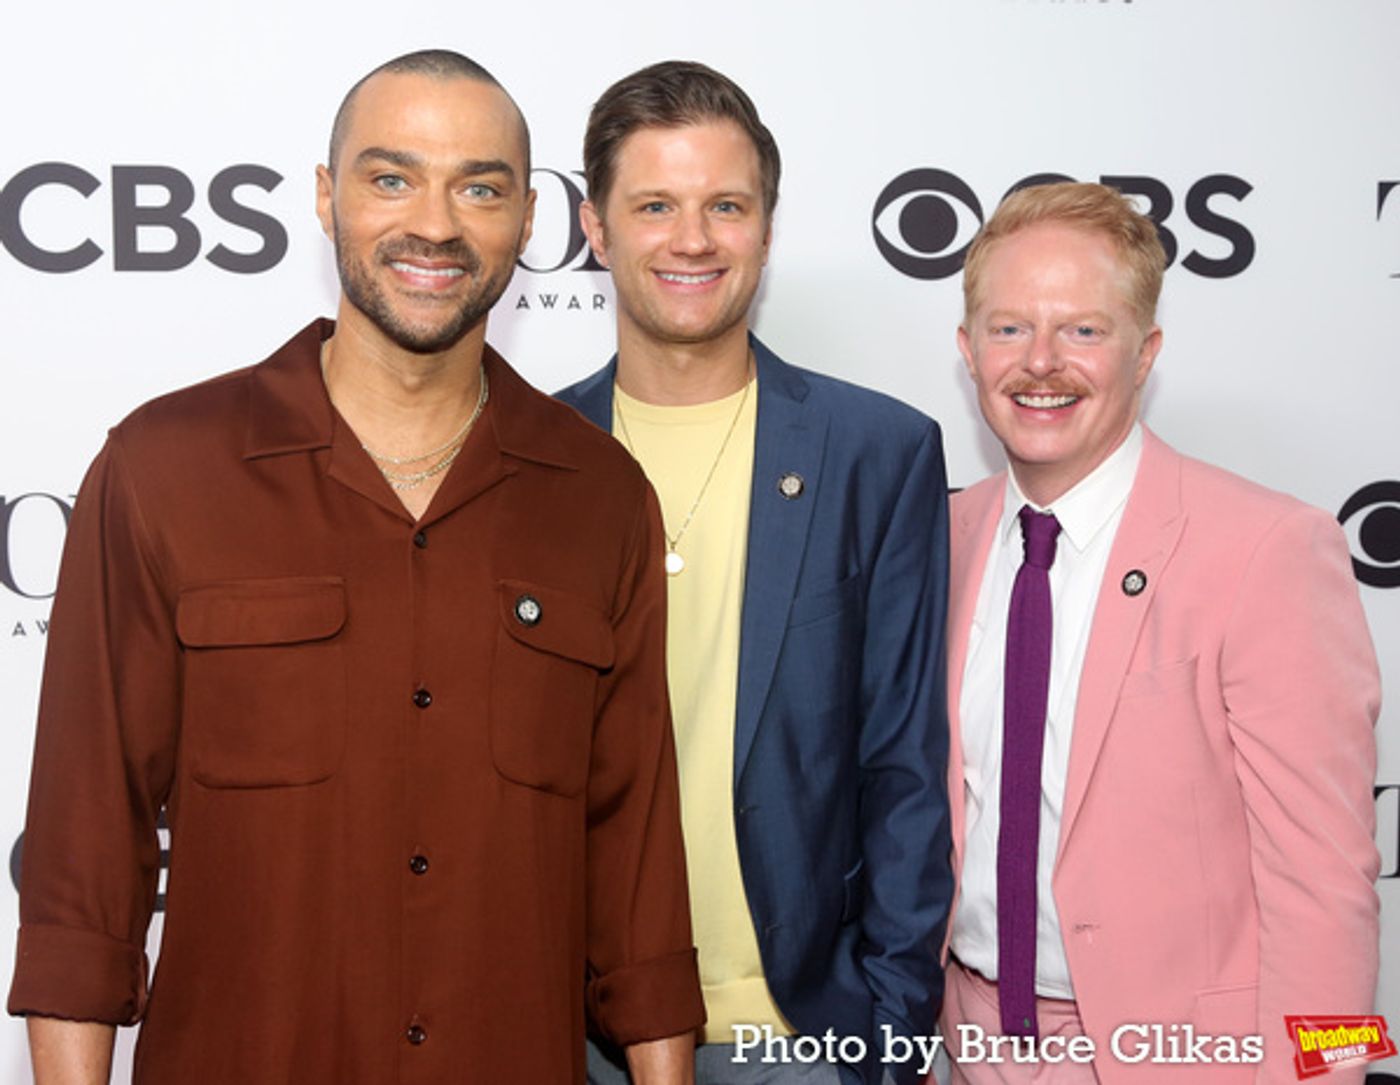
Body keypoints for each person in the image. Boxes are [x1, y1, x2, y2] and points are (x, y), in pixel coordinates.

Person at [7, 49, 703, 1085]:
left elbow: (636, 863)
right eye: (391, 178)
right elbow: (85, 849)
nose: (435, 222)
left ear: (526, 220)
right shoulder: (163, 468)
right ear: (327, 200)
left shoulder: (599, 496)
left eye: (479, 186)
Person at [557, 61, 952, 1085]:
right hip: (570, 1028)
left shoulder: (877, 451)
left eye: (724, 206)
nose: (692, 239)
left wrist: (889, 1031)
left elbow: (904, 765)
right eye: (654, 205)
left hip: (803, 1035)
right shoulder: (522, 455)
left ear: (765, 230)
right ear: (595, 229)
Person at [943, 181, 1380, 1083]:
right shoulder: (939, 540)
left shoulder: (1268, 548)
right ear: (968, 348)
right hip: (967, 1041)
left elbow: (1328, 884)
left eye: (1085, 331)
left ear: (1146, 353)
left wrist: (1325, 1076)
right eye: (1010, 327)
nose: (1042, 362)